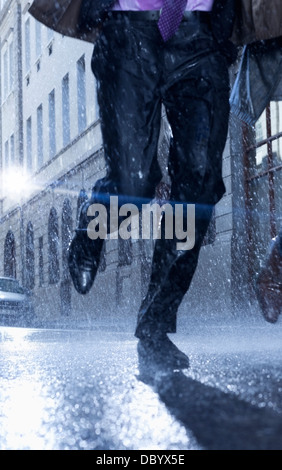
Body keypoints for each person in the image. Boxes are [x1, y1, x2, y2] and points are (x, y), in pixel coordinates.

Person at [66, 0, 238, 371]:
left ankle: (155, 324)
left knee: (199, 186)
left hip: (201, 36)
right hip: (129, 31)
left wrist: (225, 37)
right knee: (134, 184)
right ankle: (91, 225)